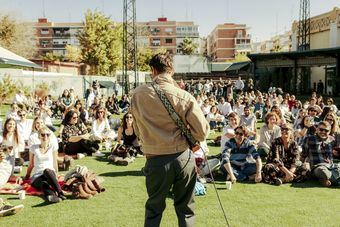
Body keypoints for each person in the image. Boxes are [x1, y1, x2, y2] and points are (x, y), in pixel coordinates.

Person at [131, 52, 209, 227]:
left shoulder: (138, 94)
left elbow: (136, 127)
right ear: (171, 71)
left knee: (154, 210)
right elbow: (202, 132)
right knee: (186, 210)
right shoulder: (184, 96)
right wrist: (189, 138)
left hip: (155, 158)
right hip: (183, 156)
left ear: (152, 70)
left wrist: (150, 140)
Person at [25, 126, 66, 203]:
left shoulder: (52, 147)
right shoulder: (33, 148)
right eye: (43, 135)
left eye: (47, 134)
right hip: (37, 176)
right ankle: (51, 196)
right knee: (44, 184)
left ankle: (60, 193)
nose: (45, 137)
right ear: (39, 136)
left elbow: (55, 162)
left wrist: (56, 175)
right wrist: (27, 176)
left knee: (47, 171)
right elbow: (31, 164)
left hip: (50, 173)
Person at [301, 121, 339, 187]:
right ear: (317, 129)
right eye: (321, 129)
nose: (323, 132)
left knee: (335, 169)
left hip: (331, 166)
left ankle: (326, 180)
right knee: (323, 172)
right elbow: (303, 155)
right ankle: (333, 180)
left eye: (326, 130)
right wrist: (301, 168)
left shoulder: (332, 140)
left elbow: (334, 153)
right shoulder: (309, 139)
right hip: (317, 167)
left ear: (329, 131)